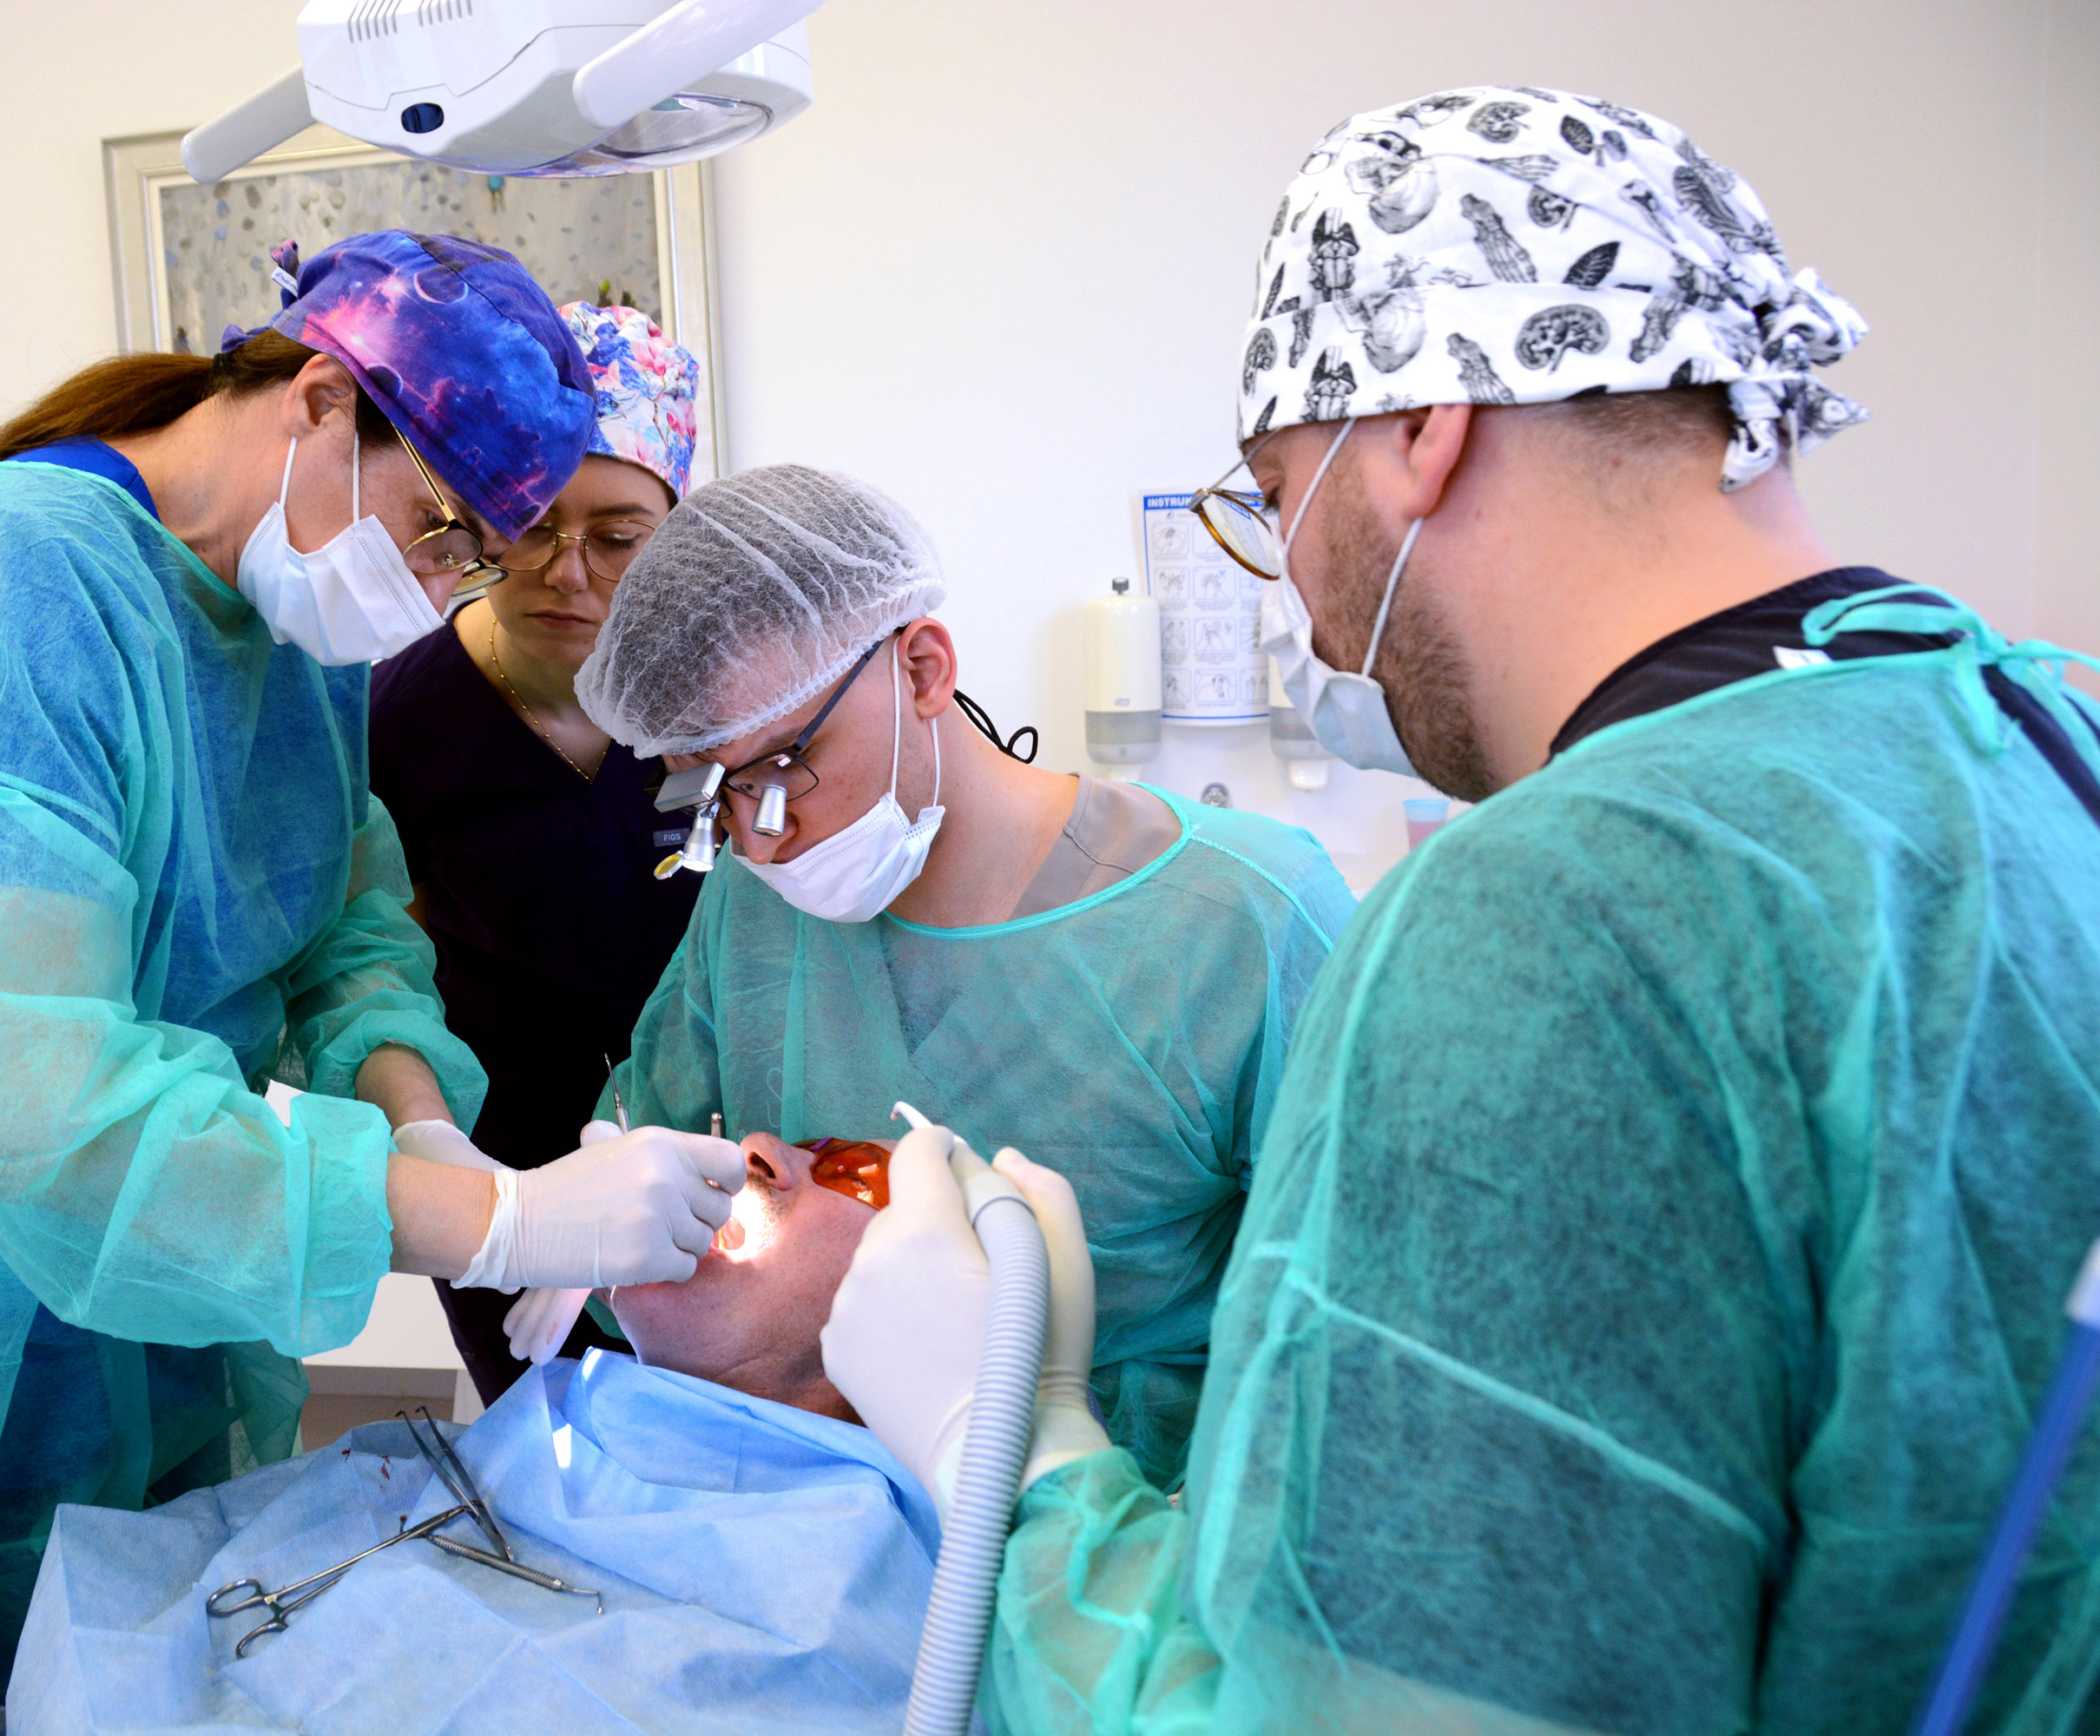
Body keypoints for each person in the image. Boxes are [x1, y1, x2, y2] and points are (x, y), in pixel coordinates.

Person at [825, 87, 2100, 1734]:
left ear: (1423, 424)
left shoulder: (1554, 915)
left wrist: (1017, 1453)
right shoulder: (2045, 736)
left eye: (1276, 491)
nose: (1295, 591)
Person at [0, 231, 745, 1736]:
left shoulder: (288, 615)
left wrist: (417, 1116)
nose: (441, 586)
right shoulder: (4, 583)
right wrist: (498, 1221)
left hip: (160, 1259)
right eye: (443, 529)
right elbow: (48, 1111)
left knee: (151, 1666)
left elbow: (347, 925)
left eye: (467, 558)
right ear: (321, 402)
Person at [571, 465, 1359, 1491]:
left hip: (1135, 1539)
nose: (760, 840)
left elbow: (1363, 1340)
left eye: (783, 765)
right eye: (713, 796)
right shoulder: (753, 907)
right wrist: (591, 1230)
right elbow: (664, 1197)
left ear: (923, 669)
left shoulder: (1242, 919)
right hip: (835, 1526)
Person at [7, 1129, 930, 1734]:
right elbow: (61, 1136)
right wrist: (462, 1178)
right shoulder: (542, 1435)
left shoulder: (865, 1589)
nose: (760, 1147)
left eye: (854, 1169)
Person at [367, 303, 707, 1401]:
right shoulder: (398, 722)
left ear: (677, 534)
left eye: (617, 536)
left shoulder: (725, 703)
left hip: (715, 1150)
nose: (568, 572)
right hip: (508, 1180)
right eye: (532, 522)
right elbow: (369, 970)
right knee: (559, 1463)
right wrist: (476, 1189)